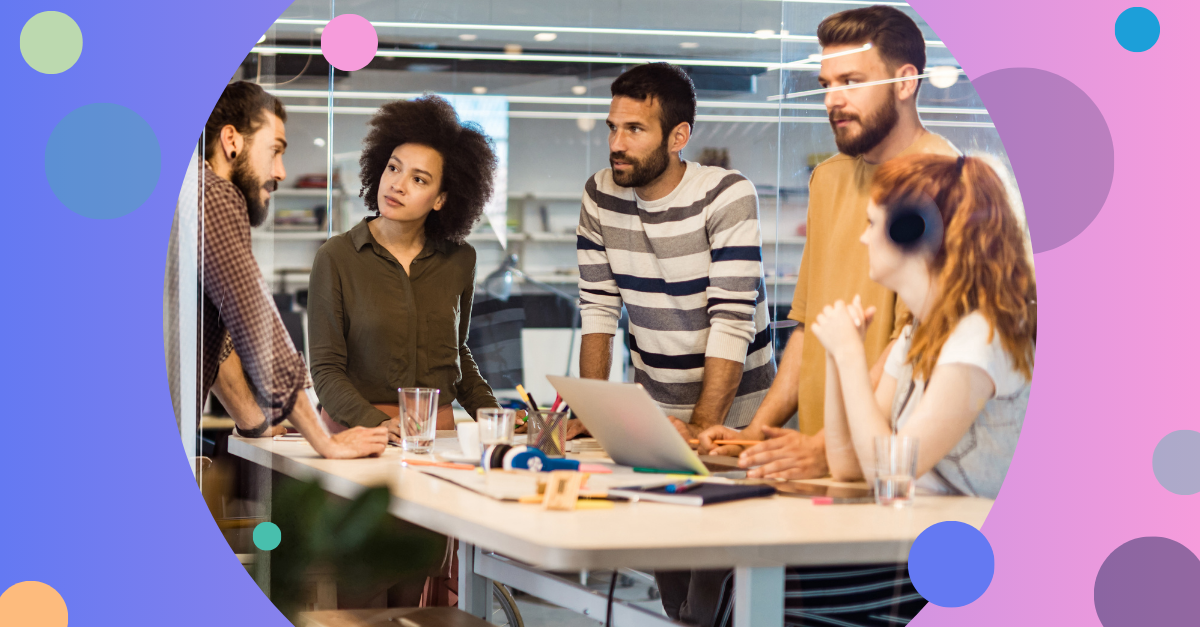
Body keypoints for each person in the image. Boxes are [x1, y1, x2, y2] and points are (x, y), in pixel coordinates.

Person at [713, 151, 1035, 627]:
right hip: (909, 538)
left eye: (871, 223)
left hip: (950, 559)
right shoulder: (920, 332)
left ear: (911, 235)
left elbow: (890, 471)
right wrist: (845, 363)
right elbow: (849, 464)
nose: (863, 237)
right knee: (746, 584)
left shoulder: (978, 336)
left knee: (788, 594)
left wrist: (846, 353)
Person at [697, 5, 961, 480]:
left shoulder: (945, 181)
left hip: (885, 467)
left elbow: (912, 343)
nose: (832, 101)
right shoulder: (829, 178)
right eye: (827, 85)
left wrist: (829, 449)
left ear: (905, 83)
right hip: (813, 461)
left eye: (852, 82)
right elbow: (807, 326)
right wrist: (758, 432)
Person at [575, 62, 774, 627]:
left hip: (735, 416)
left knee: (709, 592)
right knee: (672, 591)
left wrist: (704, 426)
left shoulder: (727, 195)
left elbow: (731, 321)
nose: (616, 144)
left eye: (634, 130)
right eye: (612, 127)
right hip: (655, 415)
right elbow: (598, 308)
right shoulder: (600, 195)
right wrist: (595, 410)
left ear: (678, 136)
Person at [165, 81, 387, 459]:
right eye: (275, 151)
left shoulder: (185, 194)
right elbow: (257, 328)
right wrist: (325, 440)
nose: (281, 171)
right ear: (231, 141)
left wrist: (254, 421)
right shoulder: (213, 195)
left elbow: (215, 341)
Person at [308, 95, 509, 437]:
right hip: (360, 430)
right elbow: (326, 370)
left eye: (419, 180)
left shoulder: (460, 260)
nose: (397, 185)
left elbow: (457, 355)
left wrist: (498, 418)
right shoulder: (336, 256)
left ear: (442, 198)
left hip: (438, 431)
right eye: (394, 167)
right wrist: (378, 424)